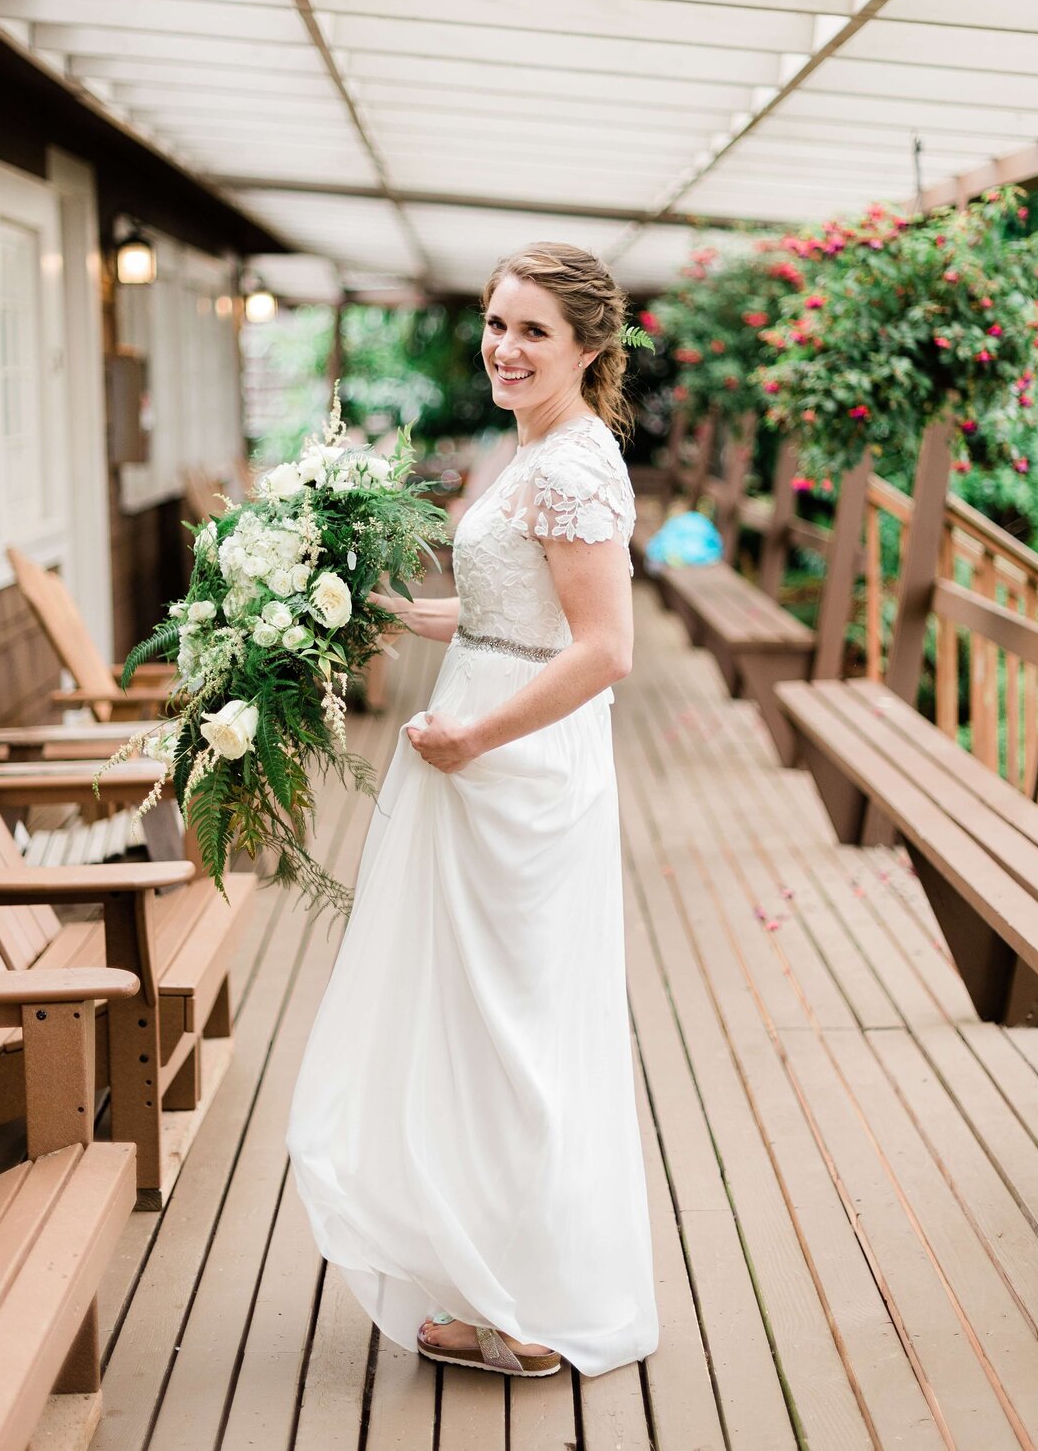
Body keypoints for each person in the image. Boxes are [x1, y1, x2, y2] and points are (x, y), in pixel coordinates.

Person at [286, 243, 659, 1380]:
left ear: (590, 348)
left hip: (518, 772)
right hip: (483, 748)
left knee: (518, 1029)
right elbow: (521, 611)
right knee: (476, 1021)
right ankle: (486, 1277)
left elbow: (606, 649)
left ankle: (535, 1306)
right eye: (498, 323)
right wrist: (413, 611)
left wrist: (477, 735)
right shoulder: (538, 443)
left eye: (534, 330)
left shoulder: (574, 463)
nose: (505, 346)